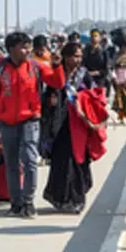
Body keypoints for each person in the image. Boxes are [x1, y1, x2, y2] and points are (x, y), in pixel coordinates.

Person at [0, 32, 65, 219]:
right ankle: (16, 203)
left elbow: (57, 82)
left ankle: (28, 201)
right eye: (23, 46)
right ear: (11, 48)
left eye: (28, 46)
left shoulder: (35, 67)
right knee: (11, 163)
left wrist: (57, 65)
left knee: (29, 161)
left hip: (30, 119)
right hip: (6, 123)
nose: (27, 50)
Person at [42, 42, 96, 214]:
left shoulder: (83, 74)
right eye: (74, 56)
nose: (77, 59)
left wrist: (83, 100)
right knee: (62, 162)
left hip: (79, 124)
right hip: (59, 124)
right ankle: (61, 198)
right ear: (65, 57)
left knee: (79, 161)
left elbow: (94, 93)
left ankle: (78, 199)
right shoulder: (56, 74)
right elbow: (48, 96)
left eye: (80, 56)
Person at [83, 29, 112, 97]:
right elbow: (82, 65)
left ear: (100, 38)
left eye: (95, 36)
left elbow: (106, 70)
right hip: (87, 81)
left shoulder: (104, 53)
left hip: (99, 81)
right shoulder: (85, 51)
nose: (93, 37)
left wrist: (96, 73)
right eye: (92, 36)